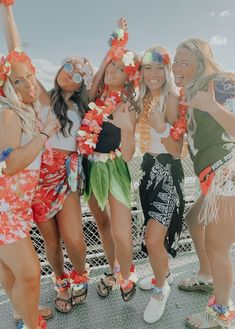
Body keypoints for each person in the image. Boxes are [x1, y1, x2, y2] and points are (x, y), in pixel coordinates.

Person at [2, 2, 94, 313]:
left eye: (77, 73)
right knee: (52, 243)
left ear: (83, 83)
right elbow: (16, 56)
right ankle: (61, 281)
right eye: (67, 68)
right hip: (39, 177)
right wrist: (8, 10)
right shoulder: (39, 95)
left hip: (65, 178)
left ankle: (80, 275)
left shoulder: (86, 108)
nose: (69, 74)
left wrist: (116, 50)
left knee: (74, 238)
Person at [172, 38, 235, 328]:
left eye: (185, 61)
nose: (178, 67)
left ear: (202, 61)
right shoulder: (191, 91)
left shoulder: (219, 84)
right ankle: (207, 276)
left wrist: (212, 106)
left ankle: (222, 314)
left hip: (228, 173)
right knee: (195, 220)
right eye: (177, 61)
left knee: (217, 246)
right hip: (212, 177)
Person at [78, 19, 141, 301]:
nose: (112, 72)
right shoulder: (94, 97)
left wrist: (126, 128)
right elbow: (95, 80)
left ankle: (127, 275)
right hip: (91, 165)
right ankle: (115, 269)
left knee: (122, 233)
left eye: (119, 69)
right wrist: (116, 48)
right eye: (111, 67)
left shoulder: (127, 105)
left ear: (128, 78)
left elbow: (128, 154)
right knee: (102, 224)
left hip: (114, 167)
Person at [0, 44, 59, 329]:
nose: (27, 83)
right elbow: (9, 165)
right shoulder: (9, 114)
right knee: (29, 273)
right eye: (17, 80)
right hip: (5, 208)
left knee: (11, 272)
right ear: (6, 87)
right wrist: (46, 132)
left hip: (15, 206)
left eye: (29, 76)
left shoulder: (25, 112)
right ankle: (31, 324)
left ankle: (23, 313)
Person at [136, 46, 184, 323]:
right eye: (147, 68)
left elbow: (177, 150)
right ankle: (161, 273)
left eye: (158, 68)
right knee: (152, 235)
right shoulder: (142, 99)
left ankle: (161, 289)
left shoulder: (172, 99)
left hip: (167, 170)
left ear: (165, 71)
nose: (152, 74)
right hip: (147, 170)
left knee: (153, 239)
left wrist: (161, 127)